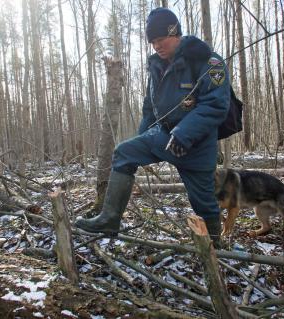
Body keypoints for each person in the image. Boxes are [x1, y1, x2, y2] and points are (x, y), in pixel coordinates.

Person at [75, 7, 230, 244]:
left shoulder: (208, 60)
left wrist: (184, 133)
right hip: (163, 135)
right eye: (153, 41)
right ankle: (109, 220)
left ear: (175, 32)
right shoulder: (157, 66)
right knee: (124, 153)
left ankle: (214, 246)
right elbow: (150, 108)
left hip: (197, 145)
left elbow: (216, 105)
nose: (157, 46)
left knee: (203, 201)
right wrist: (143, 140)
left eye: (161, 39)